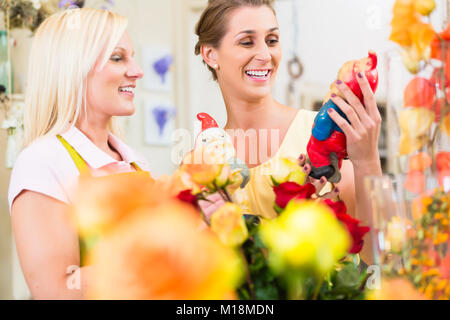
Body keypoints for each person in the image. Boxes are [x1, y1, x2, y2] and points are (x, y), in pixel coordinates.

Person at [194, 0, 382, 264]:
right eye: (247, 42)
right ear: (211, 55)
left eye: (272, 40)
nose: (264, 54)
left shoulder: (316, 135)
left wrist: (368, 161)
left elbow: (379, 257)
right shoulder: (201, 159)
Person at [8, 8, 147, 299]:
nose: (137, 71)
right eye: (118, 57)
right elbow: (57, 290)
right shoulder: (42, 162)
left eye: (132, 56)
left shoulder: (133, 161)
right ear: (73, 67)